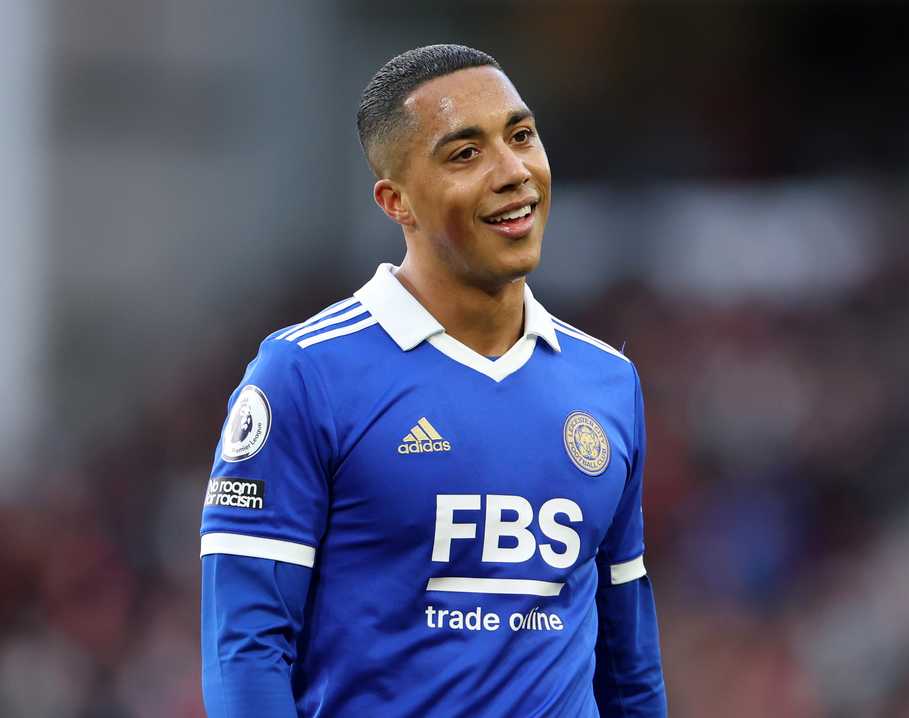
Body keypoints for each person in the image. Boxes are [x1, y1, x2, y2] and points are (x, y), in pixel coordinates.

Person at [199, 44, 667, 717]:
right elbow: (244, 653)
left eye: (521, 136)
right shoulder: (303, 375)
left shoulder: (608, 382)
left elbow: (629, 664)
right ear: (398, 203)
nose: (513, 171)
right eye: (465, 153)